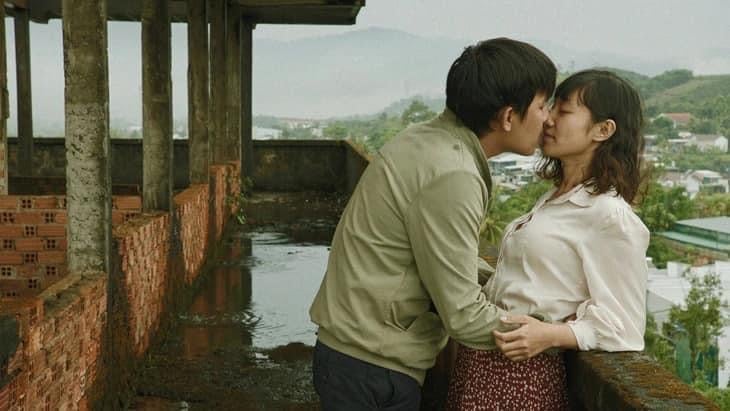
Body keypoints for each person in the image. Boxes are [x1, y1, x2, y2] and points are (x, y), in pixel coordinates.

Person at [308, 37, 556, 410]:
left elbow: (439, 252)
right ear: (508, 117)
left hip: (351, 354)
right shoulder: (453, 174)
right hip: (373, 368)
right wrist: (547, 330)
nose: (548, 118)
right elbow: (464, 316)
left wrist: (499, 281)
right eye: (542, 105)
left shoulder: (425, 139)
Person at [445, 69, 650, 410]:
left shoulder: (608, 215)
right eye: (550, 108)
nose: (548, 119)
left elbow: (625, 326)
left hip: (522, 376)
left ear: (603, 129)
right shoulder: (553, 199)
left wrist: (550, 334)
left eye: (564, 111)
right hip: (479, 364)